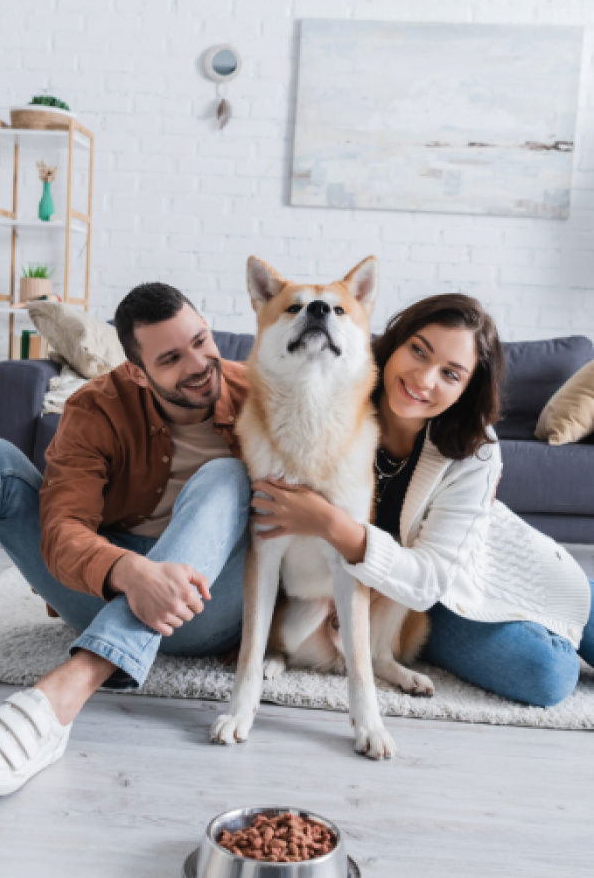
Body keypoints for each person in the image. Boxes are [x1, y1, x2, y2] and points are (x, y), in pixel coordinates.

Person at [0, 284, 250, 796]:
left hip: (208, 607)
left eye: (201, 340)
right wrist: (132, 571)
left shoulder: (263, 394)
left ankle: (61, 697)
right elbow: (62, 532)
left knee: (226, 477)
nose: (199, 364)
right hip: (106, 589)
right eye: (171, 358)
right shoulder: (97, 408)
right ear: (136, 370)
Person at [251, 293, 594, 707]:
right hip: (427, 604)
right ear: (395, 341)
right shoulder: (335, 385)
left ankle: (561, 609)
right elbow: (257, 378)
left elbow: (432, 575)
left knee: (573, 599)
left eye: (451, 374)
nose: (423, 380)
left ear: (468, 389)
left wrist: (330, 523)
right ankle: (542, 629)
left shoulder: (476, 448)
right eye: (418, 350)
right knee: (549, 674)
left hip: (463, 570)